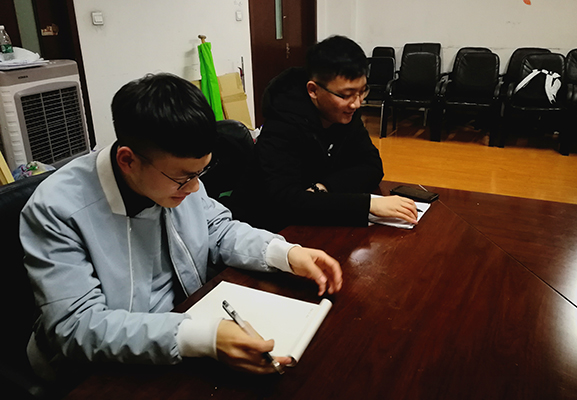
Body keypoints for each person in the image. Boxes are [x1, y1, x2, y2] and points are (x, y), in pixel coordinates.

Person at [19, 73, 343, 386]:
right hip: (94, 370)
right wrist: (201, 337)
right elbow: (76, 326)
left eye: (201, 172)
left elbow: (217, 229)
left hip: (182, 327)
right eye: (184, 177)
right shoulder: (57, 210)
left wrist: (284, 253)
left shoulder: (174, 177)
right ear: (127, 161)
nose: (195, 188)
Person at [252, 35, 418, 232]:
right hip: (273, 231)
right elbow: (286, 201)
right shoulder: (281, 126)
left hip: (319, 223)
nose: (356, 103)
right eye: (346, 95)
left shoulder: (345, 114)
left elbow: (372, 166)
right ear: (313, 90)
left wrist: (323, 188)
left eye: (362, 92)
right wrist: (367, 204)